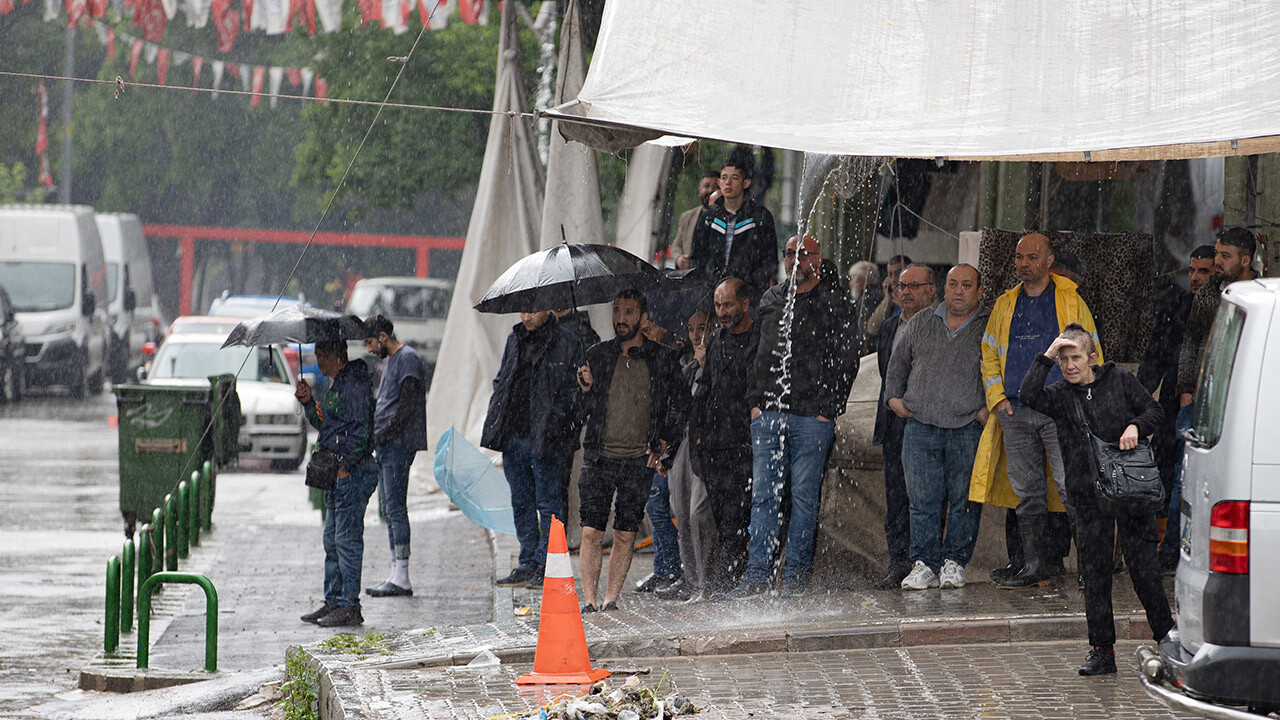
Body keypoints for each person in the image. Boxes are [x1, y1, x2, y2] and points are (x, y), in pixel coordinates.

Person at [1020, 324, 1172, 676]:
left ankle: (1168, 641)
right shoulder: (1058, 394)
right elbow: (1027, 395)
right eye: (1064, 359)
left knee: (1144, 570)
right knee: (1096, 574)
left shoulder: (1119, 380)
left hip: (1131, 491)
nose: (1070, 365)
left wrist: (1135, 426)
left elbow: (1156, 411)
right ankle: (1103, 652)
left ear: (1092, 357)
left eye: (1076, 357)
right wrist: (1046, 354)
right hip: (1087, 496)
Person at [973, 232, 1103, 589]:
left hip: (1059, 409)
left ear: (1048, 261)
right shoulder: (1004, 303)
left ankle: (1091, 568)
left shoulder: (1070, 300)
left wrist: (1085, 399)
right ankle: (1034, 565)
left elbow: (1093, 353)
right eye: (1019, 257)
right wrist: (997, 398)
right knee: (1026, 492)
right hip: (1015, 410)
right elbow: (987, 354)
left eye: (1032, 257)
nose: (1023, 264)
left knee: (1071, 486)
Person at [732, 235, 859, 598]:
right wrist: (755, 403)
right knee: (763, 497)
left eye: (803, 254)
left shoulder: (834, 302)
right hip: (770, 413)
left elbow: (846, 359)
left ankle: (795, 578)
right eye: (789, 254)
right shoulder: (772, 298)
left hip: (811, 417)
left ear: (818, 259)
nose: (795, 260)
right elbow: (755, 354)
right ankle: (757, 575)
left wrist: (827, 410)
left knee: (804, 498)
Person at [575, 290, 687, 612]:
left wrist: (664, 443)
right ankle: (590, 601)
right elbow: (578, 412)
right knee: (591, 530)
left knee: (626, 533)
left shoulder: (663, 359)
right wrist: (584, 390)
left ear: (642, 317)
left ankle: (610, 600)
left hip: (638, 460)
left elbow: (681, 406)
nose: (620, 318)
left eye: (628, 311)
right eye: (616, 311)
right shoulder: (596, 356)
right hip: (598, 457)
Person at [886, 264, 990, 590]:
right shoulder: (921, 321)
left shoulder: (990, 327)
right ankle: (924, 564)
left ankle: (954, 562)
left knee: (964, 500)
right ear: (943, 289)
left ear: (979, 291)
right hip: (920, 427)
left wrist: (989, 407)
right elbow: (897, 365)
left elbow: (1002, 366)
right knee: (921, 500)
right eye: (953, 284)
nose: (958, 291)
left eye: (966, 285)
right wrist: (894, 400)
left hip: (967, 426)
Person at [481, 310, 580, 588]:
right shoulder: (515, 339)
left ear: (547, 310)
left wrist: (556, 421)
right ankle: (528, 560)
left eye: (532, 310)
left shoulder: (565, 341)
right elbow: (502, 380)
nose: (526, 316)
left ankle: (544, 562)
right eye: (522, 310)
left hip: (546, 436)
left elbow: (572, 391)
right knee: (521, 501)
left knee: (548, 503)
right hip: (514, 434)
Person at [1138, 245, 1214, 573]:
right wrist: (1138, 399)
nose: (1195, 278)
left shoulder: (1223, 306)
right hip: (1173, 401)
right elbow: (1156, 353)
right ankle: (1165, 545)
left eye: (1203, 271)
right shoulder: (1177, 305)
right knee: (1165, 469)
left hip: (1209, 401)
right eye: (1192, 270)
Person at [297, 340, 378, 628]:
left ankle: (349, 605)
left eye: (321, 356)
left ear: (334, 356)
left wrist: (345, 465)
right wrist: (308, 403)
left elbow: (361, 430)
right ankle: (334, 600)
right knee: (332, 539)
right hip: (335, 473)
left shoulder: (353, 385)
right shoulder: (339, 384)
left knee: (346, 541)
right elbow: (329, 426)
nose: (318, 362)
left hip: (350, 475)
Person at [689, 278, 760, 597]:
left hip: (743, 442)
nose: (722, 312)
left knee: (739, 514)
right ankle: (727, 578)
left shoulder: (758, 337)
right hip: (715, 443)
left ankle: (737, 577)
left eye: (728, 305)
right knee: (720, 517)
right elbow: (707, 386)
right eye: (718, 306)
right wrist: (699, 435)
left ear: (744, 304)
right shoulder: (716, 339)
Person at [870, 264, 936, 589]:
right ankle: (898, 563)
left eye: (913, 286)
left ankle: (927, 562)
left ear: (930, 291)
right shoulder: (888, 327)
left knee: (924, 497)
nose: (905, 292)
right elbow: (886, 376)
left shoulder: (939, 327)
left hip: (929, 423)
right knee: (895, 498)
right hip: (893, 425)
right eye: (901, 286)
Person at [362, 315, 427, 598]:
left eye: (370, 342)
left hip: (398, 445)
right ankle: (395, 572)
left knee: (395, 507)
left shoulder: (407, 358)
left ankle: (401, 575)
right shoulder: (390, 361)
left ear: (384, 337)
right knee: (389, 508)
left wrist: (388, 433)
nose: (369, 349)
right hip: (388, 443)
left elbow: (409, 402)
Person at [661, 310, 716, 601]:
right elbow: (675, 404)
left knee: (698, 511)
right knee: (681, 512)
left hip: (705, 444)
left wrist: (706, 367)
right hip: (681, 443)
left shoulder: (716, 359)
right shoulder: (685, 363)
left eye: (702, 327)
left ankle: (706, 582)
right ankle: (693, 582)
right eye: (691, 328)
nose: (696, 334)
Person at [636, 317, 683, 596]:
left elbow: (674, 409)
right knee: (654, 507)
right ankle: (663, 567)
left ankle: (671, 568)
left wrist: (663, 449)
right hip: (653, 446)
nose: (647, 334)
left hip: (667, 447)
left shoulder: (671, 359)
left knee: (658, 506)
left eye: (651, 328)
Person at [690, 158, 779, 300]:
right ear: (719, 182)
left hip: (747, 295)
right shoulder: (709, 217)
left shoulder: (760, 217)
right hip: (712, 293)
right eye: (724, 178)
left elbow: (769, 260)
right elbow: (697, 256)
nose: (728, 183)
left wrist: (752, 285)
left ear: (746, 183)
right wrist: (707, 282)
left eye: (734, 178)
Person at [671, 171, 721, 270]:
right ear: (699, 190)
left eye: (715, 187)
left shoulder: (728, 216)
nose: (711, 190)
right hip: (691, 275)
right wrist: (679, 258)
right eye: (706, 186)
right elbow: (676, 245)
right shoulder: (687, 216)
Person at [865, 254, 912, 340]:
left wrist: (906, 307)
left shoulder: (921, 296)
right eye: (890, 274)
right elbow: (872, 328)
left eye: (898, 273)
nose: (893, 279)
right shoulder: (890, 300)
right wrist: (887, 301)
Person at [847, 260, 881, 356]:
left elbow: (863, 329)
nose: (850, 283)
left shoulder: (868, 298)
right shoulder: (874, 295)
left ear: (861, 279)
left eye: (852, 278)